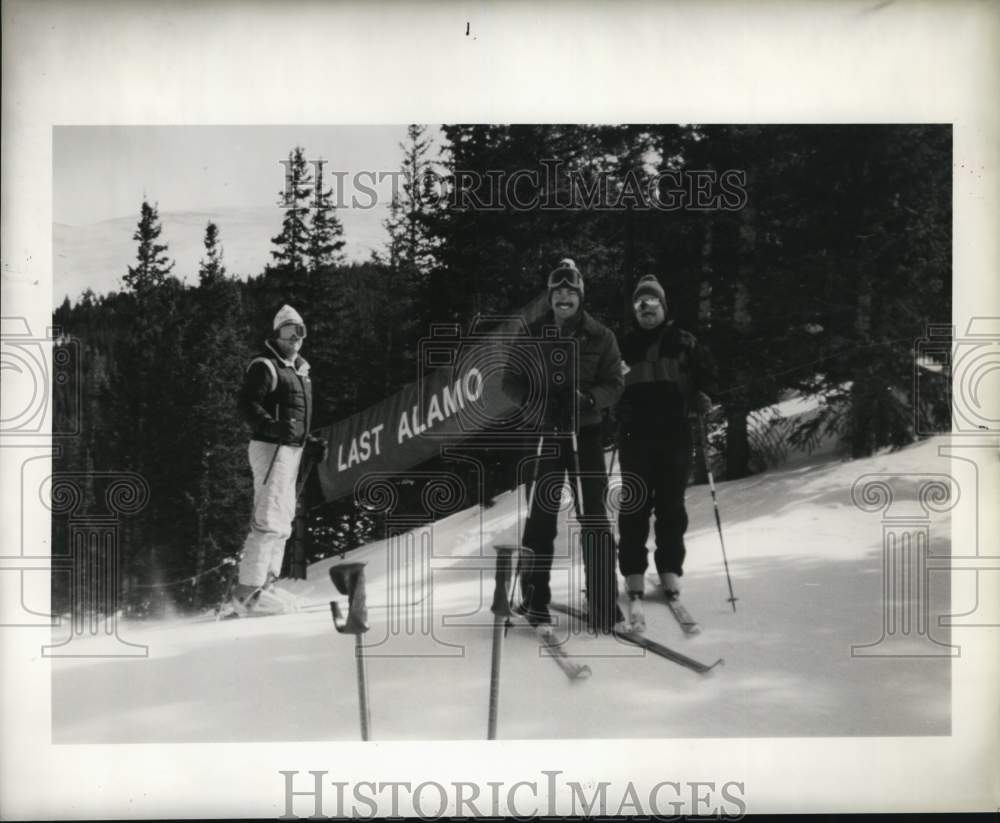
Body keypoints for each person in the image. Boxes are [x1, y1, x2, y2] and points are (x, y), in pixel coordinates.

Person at [505, 259, 626, 634]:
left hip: (585, 433)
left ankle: (604, 601)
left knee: (594, 516)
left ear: (580, 297)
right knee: (541, 518)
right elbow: (511, 381)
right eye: (557, 293)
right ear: (550, 298)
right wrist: (536, 400)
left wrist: (589, 400)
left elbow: (614, 383)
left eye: (570, 293)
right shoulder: (532, 334)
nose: (563, 298)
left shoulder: (600, 335)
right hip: (545, 432)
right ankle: (534, 599)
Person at [616, 275, 715, 631]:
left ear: (662, 307)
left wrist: (702, 396)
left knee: (671, 504)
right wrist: (618, 407)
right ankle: (633, 571)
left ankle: (670, 568)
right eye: (640, 304)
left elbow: (707, 377)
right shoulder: (623, 346)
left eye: (651, 303)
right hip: (636, 436)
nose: (646, 309)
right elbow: (612, 386)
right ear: (635, 311)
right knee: (635, 505)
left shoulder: (684, 341)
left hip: (675, 433)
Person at [230, 304, 327, 615]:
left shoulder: (300, 370)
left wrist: (306, 441)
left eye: (301, 331)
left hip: (290, 450)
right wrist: (270, 425)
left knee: (282, 521)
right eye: (289, 331)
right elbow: (246, 403)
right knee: (268, 518)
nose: (296, 338)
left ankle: (266, 586)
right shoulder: (266, 366)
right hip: (270, 448)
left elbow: (295, 416)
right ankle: (248, 592)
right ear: (277, 334)